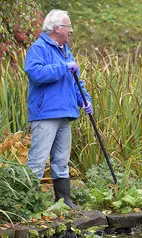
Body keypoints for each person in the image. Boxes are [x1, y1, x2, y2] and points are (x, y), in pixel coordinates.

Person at [24, 9, 93, 208]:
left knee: (61, 160)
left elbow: (74, 81)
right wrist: (63, 66)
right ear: (57, 28)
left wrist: (84, 100)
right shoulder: (39, 48)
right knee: (38, 160)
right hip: (46, 113)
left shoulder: (65, 50)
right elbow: (35, 73)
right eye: (68, 26)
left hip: (65, 112)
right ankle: (28, 204)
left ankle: (64, 201)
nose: (71, 30)